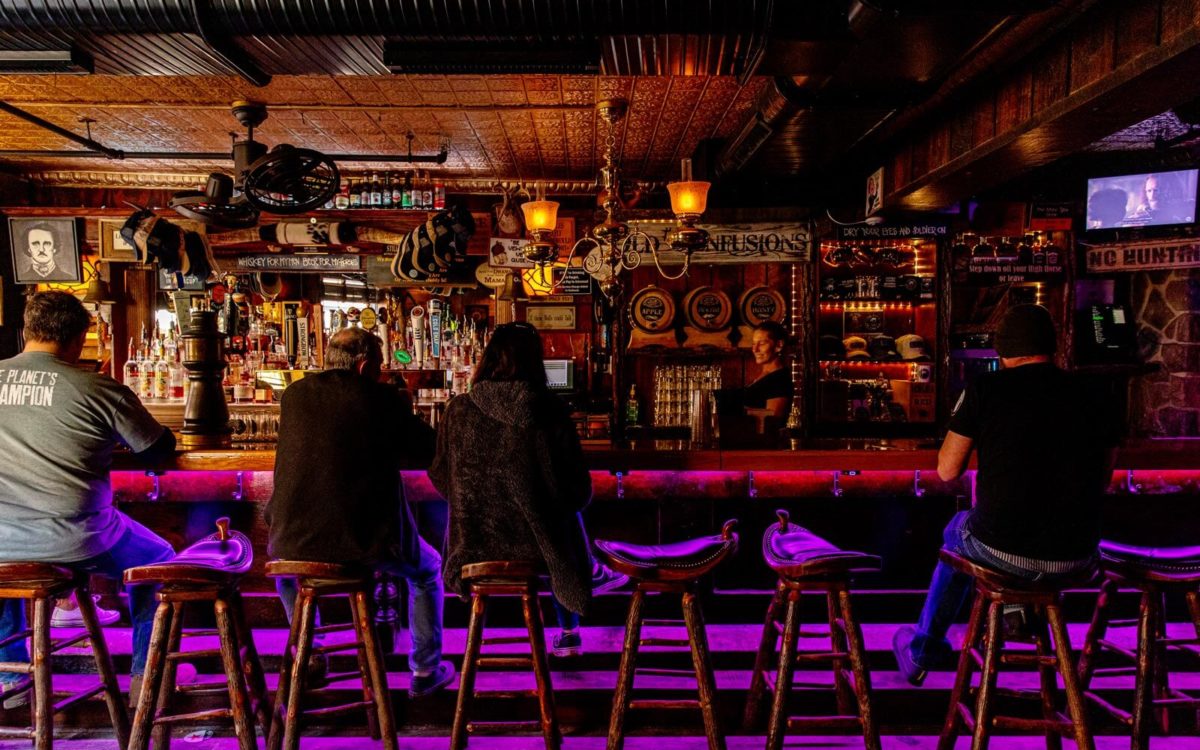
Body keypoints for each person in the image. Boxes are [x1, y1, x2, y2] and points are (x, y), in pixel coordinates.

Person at [892, 304, 1117, 686]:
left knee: (959, 530)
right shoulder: (1096, 392)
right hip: (1079, 557)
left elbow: (947, 470)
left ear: (1002, 349)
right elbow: (1104, 479)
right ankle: (1014, 611)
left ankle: (924, 648)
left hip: (1003, 551)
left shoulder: (985, 389)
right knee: (986, 533)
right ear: (1054, 346)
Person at [0, 291, 177, 707]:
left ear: (26, 332)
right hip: (76, 539)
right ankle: (144, 679)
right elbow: (157, 452)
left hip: (3, 543)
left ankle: (10, 679)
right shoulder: (99, 389)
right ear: (80, 338)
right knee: (160, 563)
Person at [265, 327, 455, 698]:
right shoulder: (380, 398)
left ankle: (313, 651)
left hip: (287, 545)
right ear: (366, 365)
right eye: (381, 367)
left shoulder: (294, 394)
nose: (383, 374)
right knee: (429, 570)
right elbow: (430, 449)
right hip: (362, 544)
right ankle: (425, 670)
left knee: (286, 573)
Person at [430, 321, 625, 658]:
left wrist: (481, 500)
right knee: (559, 517)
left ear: (489, 358)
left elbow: (441, 478)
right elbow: (577, 491)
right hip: (537, 553)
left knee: (551, 515)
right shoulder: (549, 410)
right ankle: (572, 623)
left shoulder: (457, 410)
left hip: (473, 551)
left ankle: (572, 612)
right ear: (537, 361)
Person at [745, 321, 794, 419]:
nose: (755, 349)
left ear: (779, 345)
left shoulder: (779, 380)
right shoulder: (767, 375)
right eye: (754, 344)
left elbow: (772, 421)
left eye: (762, 343)